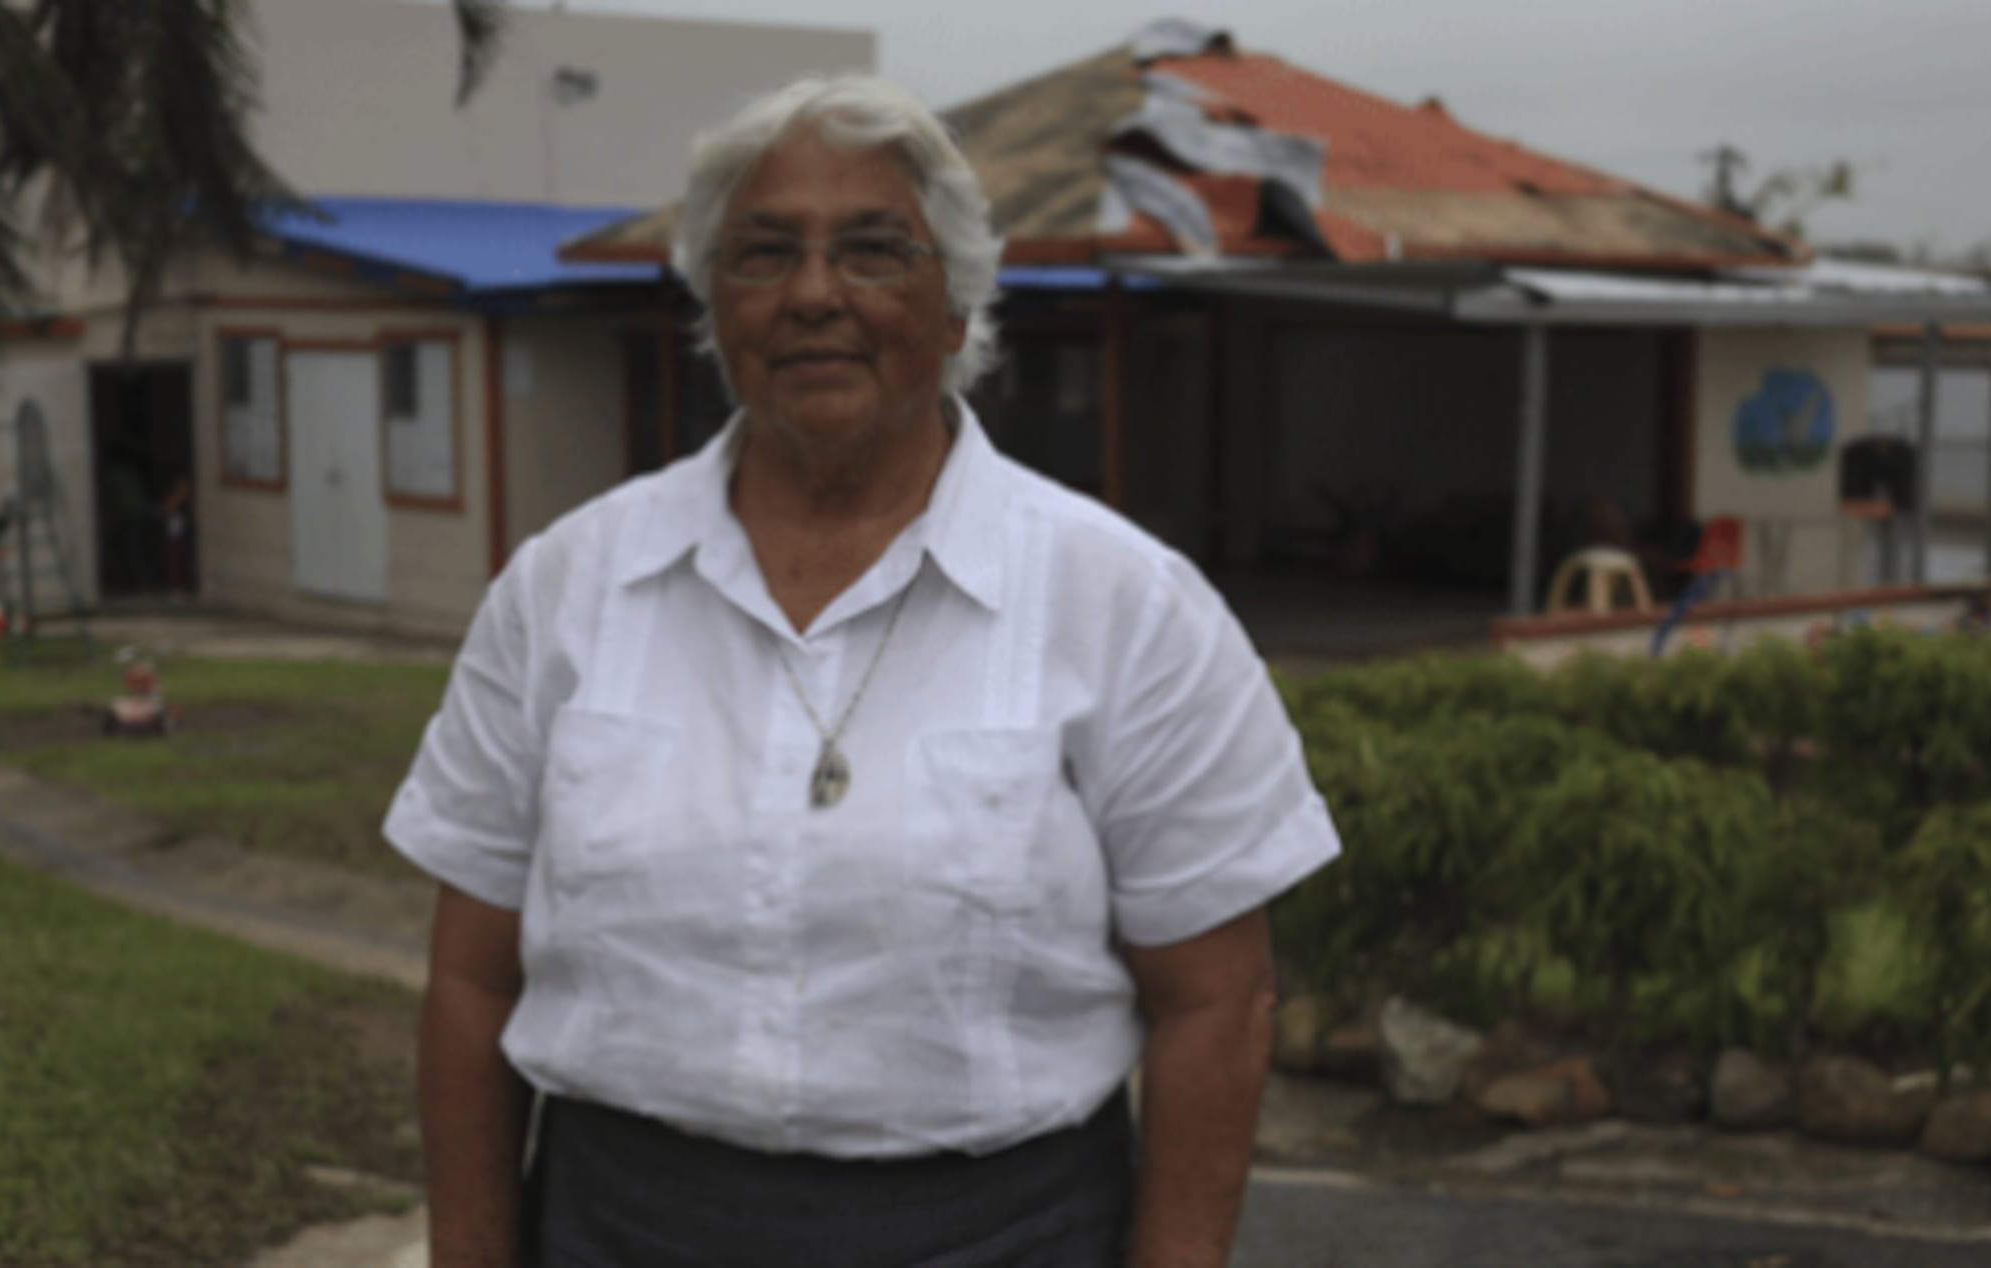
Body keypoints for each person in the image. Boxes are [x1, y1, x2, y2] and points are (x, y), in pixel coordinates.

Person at [384, 75, 1343, 1268]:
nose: (815, 294)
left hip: (1001, 1235)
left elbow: (1216, 1000)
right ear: (714, 305)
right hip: (616, 1225)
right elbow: (472, 979)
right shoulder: (565, 588)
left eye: (875, 251)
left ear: (954, 307)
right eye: (764, 253)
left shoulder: (1124, 606)